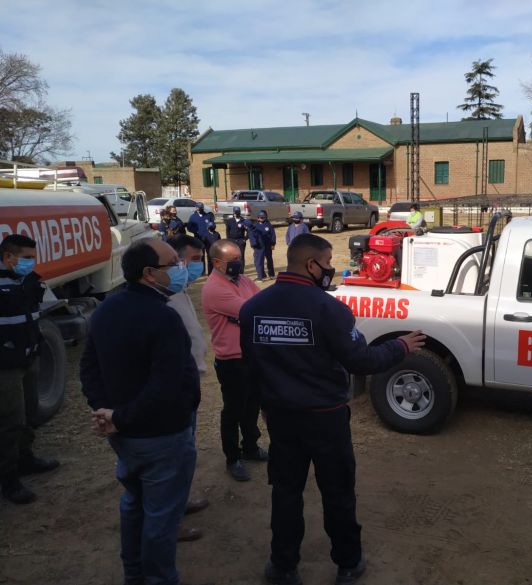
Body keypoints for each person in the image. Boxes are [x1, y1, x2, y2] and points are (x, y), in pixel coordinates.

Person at [239, 233, 426, 585]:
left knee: (286, 492)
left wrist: (264, 408)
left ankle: (282, 566)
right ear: (311, 265)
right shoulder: (329, 309)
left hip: (281, 417)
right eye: (327, 263)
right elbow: (362, 360)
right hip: (326, 419)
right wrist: (400, 346)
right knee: (337, 492)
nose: (331, 270)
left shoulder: (252, 308)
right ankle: (348, 563)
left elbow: (250, 369)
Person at [80, 239, 200, 585]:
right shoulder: (163, 317)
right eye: (172, 263)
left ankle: (133, 574)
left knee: (134, 502)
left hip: (124, 434)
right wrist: (116, 417)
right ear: (149, 274)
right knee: (161, 516)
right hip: (159, 435)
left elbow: (89, 370)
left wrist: (106, 413)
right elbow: (166, 386)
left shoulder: (107, 308)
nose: (180, 268)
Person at [0, 235, 60, 505]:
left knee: (30, 413)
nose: (30, 262)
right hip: (5, 364)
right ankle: (9, 480)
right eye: (25, 258)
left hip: (29, 356)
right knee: (10, 421)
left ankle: (26, 458)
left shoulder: (29, 279)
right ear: (8, 257)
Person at [201, 239, 266, 482]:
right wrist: (249, 314)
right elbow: (252, 310)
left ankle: (250, 447)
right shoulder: (214, 288)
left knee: (253, 406)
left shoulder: (242, 280)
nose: (240, 263)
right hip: (232, 361)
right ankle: (233, 457)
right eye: (233, 260)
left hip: (251, 356)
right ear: (217, 263)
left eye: (240, 257)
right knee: (234, 411)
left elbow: (260, 301)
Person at [167, 234, 211, 542]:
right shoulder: (161, 298)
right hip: (173, 390)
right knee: (173, 454)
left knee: (185, 450)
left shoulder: (180, 288)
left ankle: (178, 503)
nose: (197, 267)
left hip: (188, 382)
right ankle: (168, 520)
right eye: (193, 261)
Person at [187, 201, 217, 270]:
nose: (200, 209)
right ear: (196, 208)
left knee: (210, 254)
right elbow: (189, 228)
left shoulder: (208, 215)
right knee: (201, 255)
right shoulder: (193, 217)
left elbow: (213, 225)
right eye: (199, 208)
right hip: (199, 238)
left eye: (202, 208)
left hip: (209, 238)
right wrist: (196, 231)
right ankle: (202, 270)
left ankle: (211, 270)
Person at [251, 210, 276, 280]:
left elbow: (273, 235)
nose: (261, 218)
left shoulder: (269, 225)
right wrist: (253, 245)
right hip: (259, 247)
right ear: (257, 218)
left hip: (268, 246)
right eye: (260, 217)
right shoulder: (255, 226)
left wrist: (273, 243)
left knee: (269, 260)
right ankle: (261, 276)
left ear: (265, 217)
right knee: (259, 261)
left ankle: (271, 274)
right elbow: (252, 236)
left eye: (263, 217)